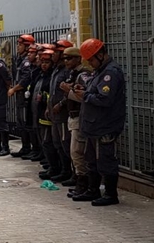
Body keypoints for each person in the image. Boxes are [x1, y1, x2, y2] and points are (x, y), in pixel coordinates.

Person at [71, 38, 126, 206]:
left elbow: (105, 99)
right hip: (94, 125)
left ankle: (110, 194)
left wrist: (85, 96)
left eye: (92, 60)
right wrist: (85, 91)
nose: (91, 64)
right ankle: (92, 190)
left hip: (105, 125)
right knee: (91, 159)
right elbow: (94, 90)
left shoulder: (111, 73)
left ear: (101, 55)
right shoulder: (100, 71)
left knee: (106, 160)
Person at [59, 47, 93, 196]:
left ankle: (83, 184)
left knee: (77, 152)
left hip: (80, 116)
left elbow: (82, 97)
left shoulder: (83, 74)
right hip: (72, 116)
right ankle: (80, 181)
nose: (66, 61)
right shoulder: (72, 74)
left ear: (78, 59)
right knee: (74, 152)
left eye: (70, 58)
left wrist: (69, 91)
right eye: (65, 58)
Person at [43, 39, 75, 181]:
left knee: (66, 144)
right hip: (54, 114)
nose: (53, 55)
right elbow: (53, 92)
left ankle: (71, 172)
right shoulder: (57, 69)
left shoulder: (67, 72)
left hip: (62, 114)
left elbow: (69, 92)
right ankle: (63, 169)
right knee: (57, 143)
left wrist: (61, 104)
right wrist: (48, 106)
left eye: (56, 52)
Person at [8, 34, 35, 157]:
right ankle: (25, 147)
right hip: (19, 96)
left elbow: (25, 80)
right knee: (20, 122)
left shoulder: (26, 62)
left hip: (25, 96)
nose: (17, 47)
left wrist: (14, 89)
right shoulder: (19, 59)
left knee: (25, 123)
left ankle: (28, 147)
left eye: (20, 45)